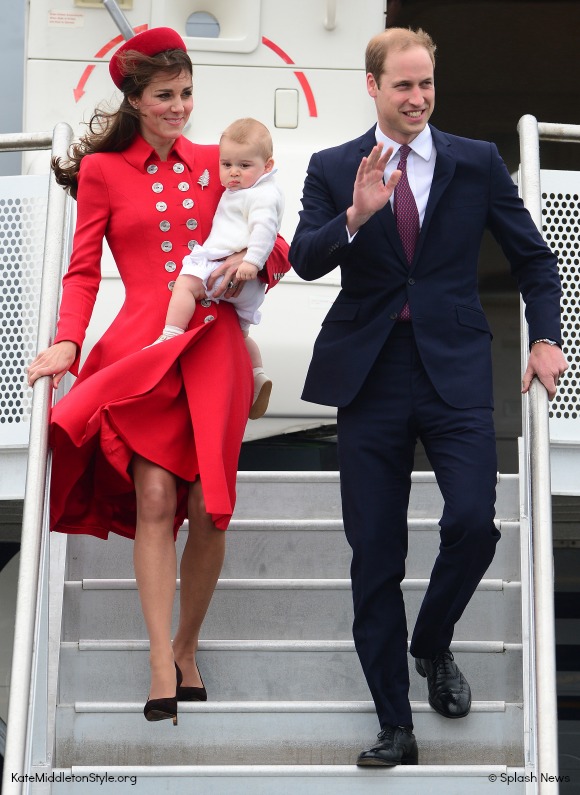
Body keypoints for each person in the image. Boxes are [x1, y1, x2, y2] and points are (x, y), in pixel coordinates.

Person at [289, 26, 567, 766]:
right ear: (373, 85)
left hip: (454, 368)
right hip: (369, 375)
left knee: (475, 522)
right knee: (374, 555)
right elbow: (303, 258)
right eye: (403, 85)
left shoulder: (474, 162)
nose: (417, 98)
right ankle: (394, 723)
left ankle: (433, 640)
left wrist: (546, 337)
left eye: (427, 85)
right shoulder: (333, 165)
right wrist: (356, 215)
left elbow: (537, 263)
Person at [26, 27, 289, 726]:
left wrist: (258, 264)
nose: (180, 107)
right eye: (165, 96)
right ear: (136, 101)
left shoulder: (220, 160)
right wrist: (66, 342)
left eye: (187, 93)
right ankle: (157, 659)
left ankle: (188, 642)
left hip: (214, 348)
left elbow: (274, 227)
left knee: (209, 506)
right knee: (152, 496)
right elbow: (84, 273)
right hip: (144, 347)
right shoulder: (104, 173)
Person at [152, 117, 284, 420]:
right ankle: (258, 374)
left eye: (243, 166)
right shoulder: (254, 187)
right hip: (249, 288)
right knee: (241, 334)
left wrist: (251, 260)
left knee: (186, 284)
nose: (233, 172)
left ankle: (171, 334)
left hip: (227, 271)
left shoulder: (260, 193)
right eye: (226, 165)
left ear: (267, 166)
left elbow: (267, 230)